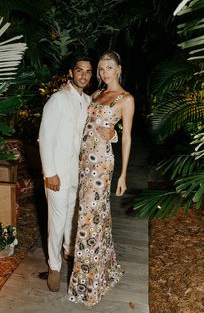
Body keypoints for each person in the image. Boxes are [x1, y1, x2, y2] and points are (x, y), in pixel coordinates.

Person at [38, 54, 116, 293]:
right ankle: (54, 267)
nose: (84, 75)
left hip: (81, 174)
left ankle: (70, 254)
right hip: (58, 175)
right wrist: (49, 172)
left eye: (88, 71)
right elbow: (45, 138)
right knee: (57, 221)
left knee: (74, 218)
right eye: (79, 70)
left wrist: (113, 135)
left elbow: (99, 131)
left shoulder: (88, 102)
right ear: (70, 73)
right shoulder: (57, 100)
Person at [68, 51, 135, 307]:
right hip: (85, 163)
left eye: (109, 67)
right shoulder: (96, 95)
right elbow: (85, 126)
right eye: (101, 68)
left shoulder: (125, 99)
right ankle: (104, 272)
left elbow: (127, 136)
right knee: (97, 218)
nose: (104, 72)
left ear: (118, 68)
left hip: (102, 166)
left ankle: (89, 284)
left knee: (89, 221)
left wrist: (124, 174)